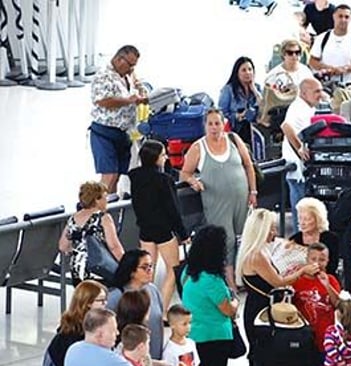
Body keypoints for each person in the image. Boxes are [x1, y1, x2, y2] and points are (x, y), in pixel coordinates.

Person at [235, 208, 323, 366]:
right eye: (271, 228)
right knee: (259, 359)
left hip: (262, 307)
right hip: (260, 312)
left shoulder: (259, 251)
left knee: (261, 359)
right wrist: (302, 271)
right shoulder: (257, 255)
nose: (275, 231)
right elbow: (279, 283)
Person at [180, 108, 257, 290]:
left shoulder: (234, 140)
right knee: (226, 240)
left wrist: (253, 191)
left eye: (217, 123)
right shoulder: (198, 147)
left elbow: (248, 165)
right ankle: (230, 283)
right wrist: (192, 181)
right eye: (210, 124)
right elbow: (185, 172)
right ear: (205, 126)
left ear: (223, 124)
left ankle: (246, 276)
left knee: (244, 237)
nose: (214, 127)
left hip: (241, 198)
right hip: (216, 202)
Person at [180, 225, 238, 366]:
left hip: (196, 337)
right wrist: (235, 303)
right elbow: (228, 309)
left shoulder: (188, 273)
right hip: (215, 340)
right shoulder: (212, 281)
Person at [129, 140, 189, 308]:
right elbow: (173, 210)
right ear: (156, 158)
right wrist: (183, 234)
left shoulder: (135, 177)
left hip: (145, 228)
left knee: (148, 270)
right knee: (173, 269)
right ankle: (161, 308)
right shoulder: (164, 179)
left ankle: (146, 307)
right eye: (163, 155)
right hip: (163, 230)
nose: (166, 158)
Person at [292, 242, 341, 366]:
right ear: (306, 260)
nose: (317, 263)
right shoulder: (298, 281)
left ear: (327, 261)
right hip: (303, 337)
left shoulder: (332, 280)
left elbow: (338, 304)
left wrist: (327, 285)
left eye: (322, 259)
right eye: (313, 259)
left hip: (325, 338)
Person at [89, 45, 147, 193]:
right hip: (105, 131)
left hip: (124, 132)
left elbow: (136, 84)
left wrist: (141, 91)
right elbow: (102, 101)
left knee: (118, 175)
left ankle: (111, 207)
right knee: (109, 175)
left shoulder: (128, 74)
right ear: (119, 59)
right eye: (130, 65)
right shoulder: (103, 76)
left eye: (134, 66)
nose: (132, 69)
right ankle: (96, 208)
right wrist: (128, 100)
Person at [58, 181, 124, 286]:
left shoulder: (73, 218)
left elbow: (63, 246)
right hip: (99, 270)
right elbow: (114, 246)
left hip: (78, 271)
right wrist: (126, 265)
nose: (106, 201)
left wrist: (78, 249)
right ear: (97, 200)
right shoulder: (103, 218)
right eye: (104, 197)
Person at [281, 78, 324, 234]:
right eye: (316, 91)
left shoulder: (309, 108)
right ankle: (299, 239)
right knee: (300, 208)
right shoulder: (297, 107)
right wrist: (299, 148)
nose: (321, 94)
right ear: (304, 93)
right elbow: (286, 126)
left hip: (306, 168)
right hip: (297, 169)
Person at [106, 250, 165, 360]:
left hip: (154, 356)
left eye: (151, 266)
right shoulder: (116, 296)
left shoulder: (153, 290)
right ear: (132, 271)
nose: (150, 271)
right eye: (144, 267)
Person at [308, 4, 351, 86]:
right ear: (334, 17)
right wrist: (328, 68)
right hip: (324, 84)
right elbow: (312, 61)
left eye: (346, 17)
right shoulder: (322, 38)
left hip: (348, 85)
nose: (343, 20)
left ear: (350, 19)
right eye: (340, 16)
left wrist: (346, 69)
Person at [291, 197, 341, 277]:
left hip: (325, 279)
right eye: (300, 218)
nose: (302, 223)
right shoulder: (294, 239)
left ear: (318, 219)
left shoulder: (331, 239)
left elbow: (332, 267)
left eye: (307, 219)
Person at [219, 56, 263, 142]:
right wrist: (237, 116)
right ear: (237, 73)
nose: (247, 73)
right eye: (244, 70)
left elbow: (264, 107)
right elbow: (221, 114)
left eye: (250, 69)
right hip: (236, 131)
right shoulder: (228, 90)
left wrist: (254, 90)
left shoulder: (257, 87)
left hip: (255, 130)